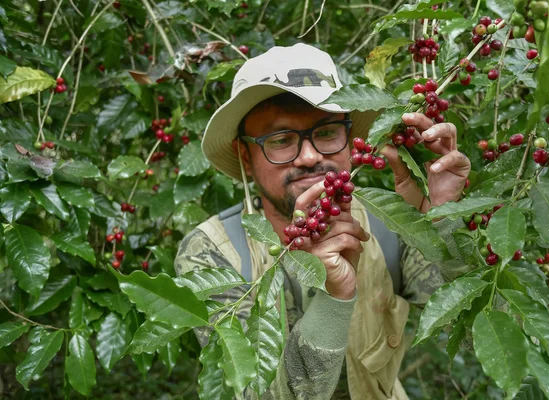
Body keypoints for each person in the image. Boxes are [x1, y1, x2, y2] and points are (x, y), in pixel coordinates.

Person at [175, 43, 471, 399]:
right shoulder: (212, 252)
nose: (311, 156)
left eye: (328, 132)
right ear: (245, 155)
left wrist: (442, 220)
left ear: (352, 140)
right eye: (281, 140)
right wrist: (334, 296)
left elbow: (475, 328)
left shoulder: (391, 225)